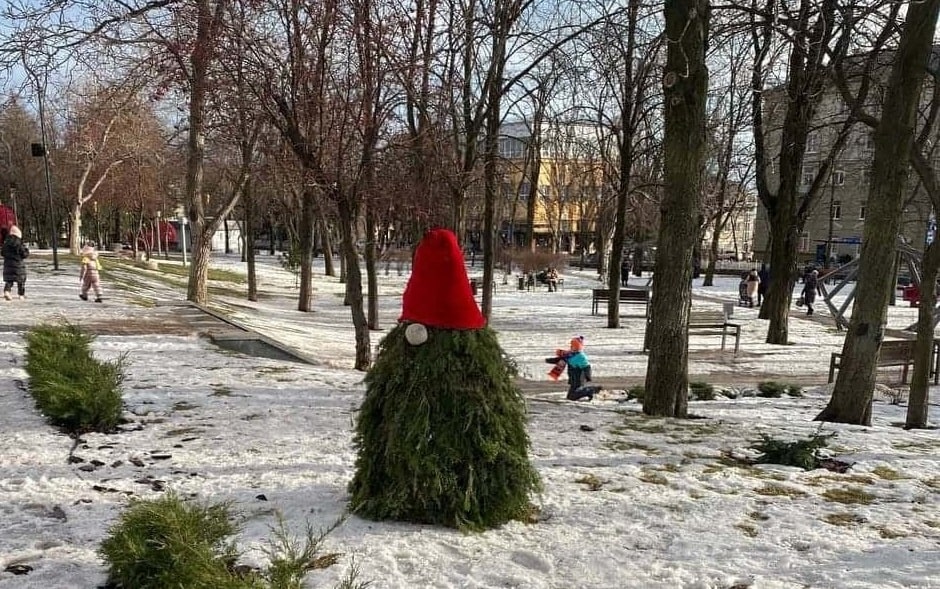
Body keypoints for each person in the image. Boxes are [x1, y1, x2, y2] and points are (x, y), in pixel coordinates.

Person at [545, 336, 596, 401]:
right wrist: (548, 360)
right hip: (573, 378)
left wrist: (588, 376)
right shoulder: (570, 354)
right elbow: (560, 360)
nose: (571, 347)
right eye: (571, 345)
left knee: (572, 397)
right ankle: (587, 391)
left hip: (578, 378)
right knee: (570, 396)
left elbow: (587, 367)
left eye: (573, 345)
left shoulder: (580, 357)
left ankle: (589, 391)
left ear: (577, 347)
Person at [2, 225, 29, 301]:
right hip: (18, 265)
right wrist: (26, 249)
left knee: (9, 280)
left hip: (8, 265)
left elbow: (2, 253)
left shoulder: (6, 243)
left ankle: (7, 291)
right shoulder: (19, 244)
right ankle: (21, 294)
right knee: (20, 280)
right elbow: (24, 254)